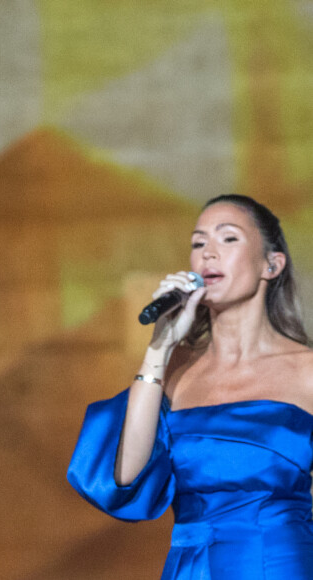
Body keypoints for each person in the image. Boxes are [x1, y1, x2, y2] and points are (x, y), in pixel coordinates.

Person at [67, 194, 313, 578]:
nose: (208, 254)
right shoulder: (175, 370)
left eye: (228, 239)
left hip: (278, 563)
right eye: (199, 243)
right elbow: (126, 475)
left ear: (272, 264)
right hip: (191, 566)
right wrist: (160, 348)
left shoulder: (306, 371)